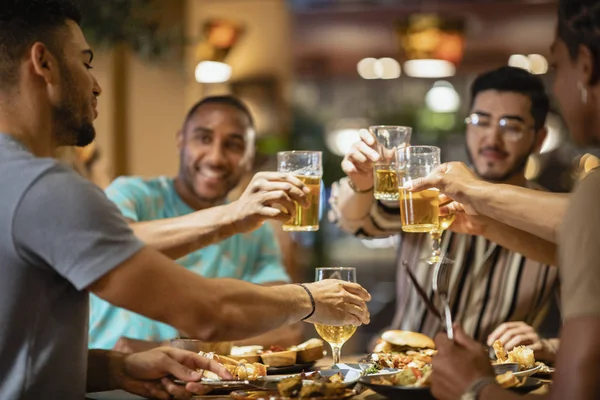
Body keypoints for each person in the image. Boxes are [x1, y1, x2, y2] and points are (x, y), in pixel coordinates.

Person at [0, 1, 371, 399]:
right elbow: (207, 312)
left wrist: (116, 367)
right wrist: (312, 298)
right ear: (44, 63)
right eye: (86, 62)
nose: (96, 84)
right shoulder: (48, 191)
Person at [406, 1, 600, 398]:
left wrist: (473, 389)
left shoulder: (589, 197)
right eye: (480, 122)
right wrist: (483, 220)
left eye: (557, 67)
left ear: (583, 65)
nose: (491, 139)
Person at [330, 66, 559, 347]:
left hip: (496, 380)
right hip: (406, 372)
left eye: (510, 127)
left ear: (539, 139)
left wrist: (549, 346)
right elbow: (356, 222)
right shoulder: (429, 190)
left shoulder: (554, 218)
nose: (491, 139)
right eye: (481, 121)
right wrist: (361, 183)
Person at [90, 96, 301, 352]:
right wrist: (232, 216)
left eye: (233, 145)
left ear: (250, 155)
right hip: (111, 385)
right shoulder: (132, 195)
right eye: (203, 139)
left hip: (203, 387)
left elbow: (283, 326)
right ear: (181, 141)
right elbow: (112, 246)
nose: (215, 157)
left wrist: (170, 348)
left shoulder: (257, 231)